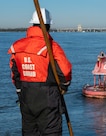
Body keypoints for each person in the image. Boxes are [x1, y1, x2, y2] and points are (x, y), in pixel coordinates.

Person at [8, 8, 72, 136]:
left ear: (32, 24)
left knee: (29, 132)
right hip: (48, 98)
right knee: (51, 132)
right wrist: (64, 86)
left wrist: (20, 89)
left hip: (26, 98)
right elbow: (65, 71)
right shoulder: (51, 46)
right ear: (48, 26)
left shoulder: (17, 46)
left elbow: (15, 74)